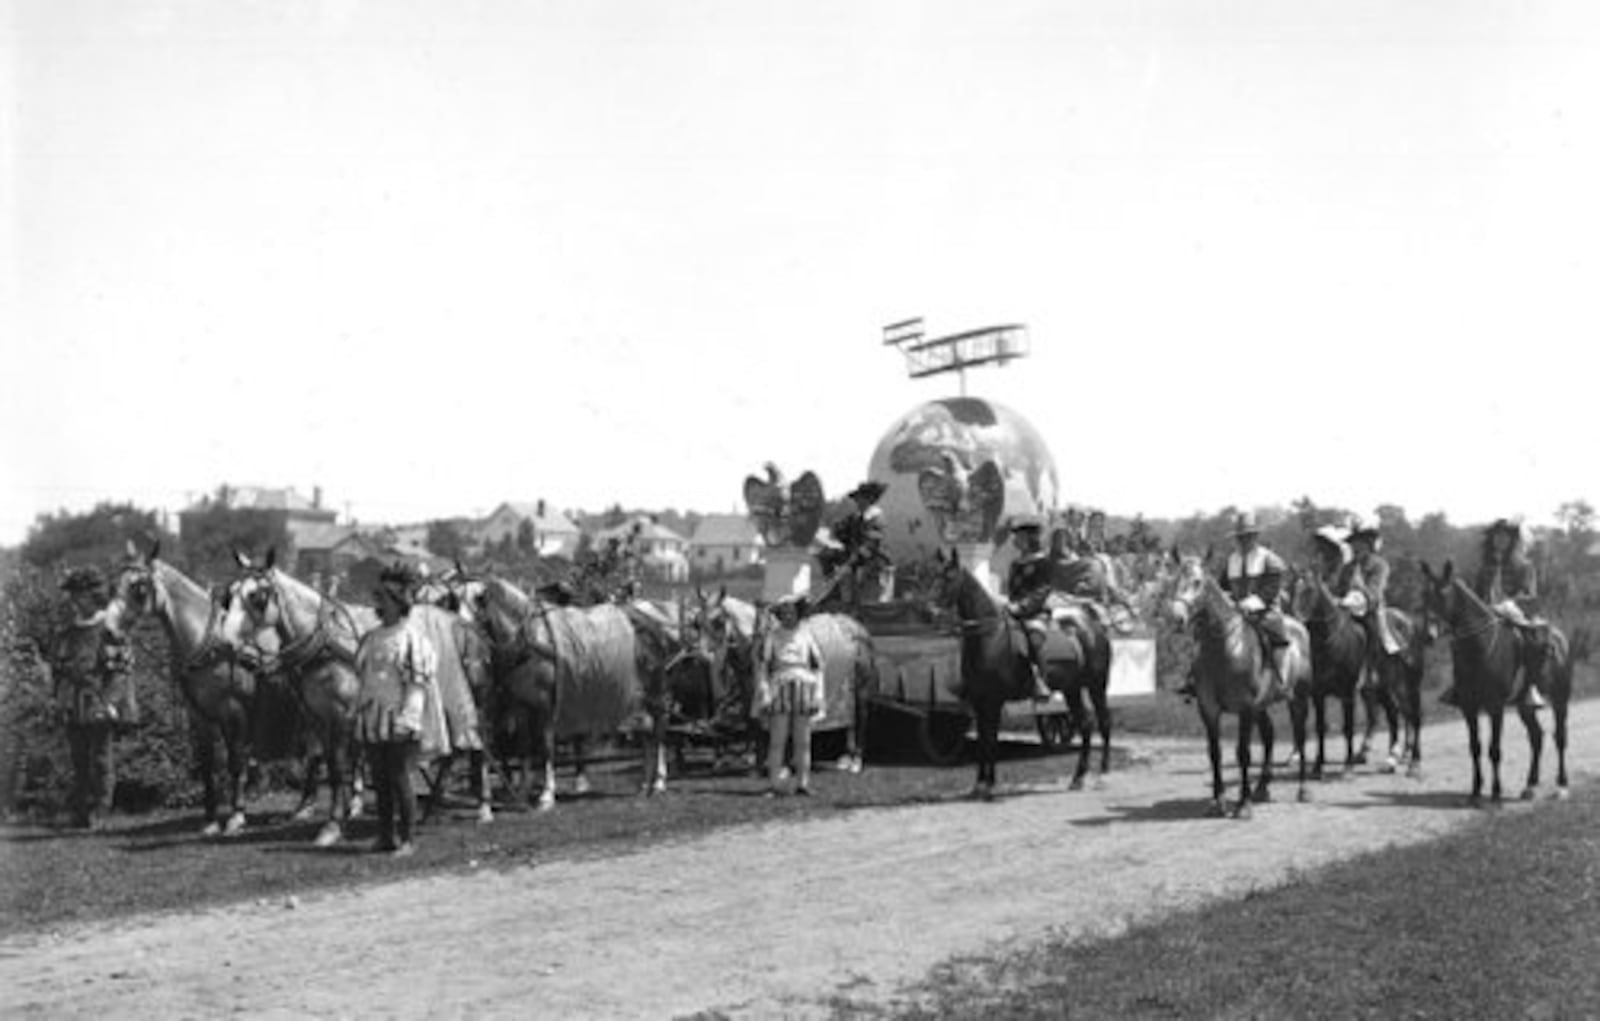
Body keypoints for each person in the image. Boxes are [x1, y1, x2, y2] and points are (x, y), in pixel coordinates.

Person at [352, 563, 440, 857]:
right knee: (380, 781)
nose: (381, 606)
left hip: (400, 720)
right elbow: (364, 679)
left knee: (400, 777)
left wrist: (408, 719)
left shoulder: (412, 639)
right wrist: (358, 711)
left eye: (387, 600)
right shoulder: (372, 637)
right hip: (374, 720)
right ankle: (385, 835)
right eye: (380, 600)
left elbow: (417, 685)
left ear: (399, 603)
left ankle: (408, 839)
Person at [47, 566, 136, 829]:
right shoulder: (66, 633)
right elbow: (58, 670)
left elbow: (120, 670)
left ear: (91, 595)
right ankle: (81, 811)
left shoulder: (109, 630)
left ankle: (101, 811)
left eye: (79, 595)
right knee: (78, 759)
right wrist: (58, 699)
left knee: (101, 758)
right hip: (73, 701)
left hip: (99, 699)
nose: (74, 601)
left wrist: (109, 702)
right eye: (73, 595)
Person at [1179, 512, 1291, 700]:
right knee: (1202, 630)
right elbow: (1224, 588)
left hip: (1265, 611)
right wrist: (1227, 603)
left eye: (1248, 536)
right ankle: (1194, 678)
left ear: (1255, 536)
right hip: (1236, 612)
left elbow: (1270, 592)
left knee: (1275, 634)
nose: (1244, 540)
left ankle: (1280, 680)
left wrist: (1248, 604)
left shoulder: (1270, 560)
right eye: (1241, 537)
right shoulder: (1232, 560)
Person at [1439, 518, 1548, 709]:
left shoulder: (1524, 566)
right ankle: (1459, 686)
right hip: (1487, 614)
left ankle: (1530, 687)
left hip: (1516, 613)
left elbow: (1528, 594)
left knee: (1533, 641)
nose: (1500, 541)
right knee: (1460, 641)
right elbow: (1475, 593)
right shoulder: (1484, 567)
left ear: (1512, 540)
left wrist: (1507, 604)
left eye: (1505, 537)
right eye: (1497, 537)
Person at [754, 594, 826, 796]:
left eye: (791, 612)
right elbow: (763, 667)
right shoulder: (772, 637)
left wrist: (818, 694)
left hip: (803, 686)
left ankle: (803, 782)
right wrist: (765, 691)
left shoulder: (806, 636)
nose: (788, 616)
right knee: (778, 739)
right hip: (780, 686)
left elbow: (818, 666)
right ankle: (775, 782)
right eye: (784, 613)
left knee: (803, 740)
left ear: (797, 614)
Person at [1335, 517, 1399, 694]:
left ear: (1369, 544)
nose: (1356, 547)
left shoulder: (1379, 565)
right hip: (1345, 608)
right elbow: (1338, 588)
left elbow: (1374, 592)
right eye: (1353, 543)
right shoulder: (1347, 567)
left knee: (1372, 630)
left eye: (1360, 543)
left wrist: (1358, 592)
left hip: (1369, 608)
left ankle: (1371, 670)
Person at [1004, 515, 1059, 701]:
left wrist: (1022, 607)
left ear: (1030, 538)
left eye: (1020, 536)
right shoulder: (1015, 564)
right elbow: (1012, 589)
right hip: (1013, 612)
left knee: (1033, 637)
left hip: (1036, 613)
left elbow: (1042, 590)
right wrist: (1009, 605)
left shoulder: (1043, 562)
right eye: (1016, 537)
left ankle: (1039, 679)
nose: (1016, 540)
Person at [821, 480, 892, 606]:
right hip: (854, 565)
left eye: (859, 499)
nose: (856, 503)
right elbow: (841, 537)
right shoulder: (853, 517)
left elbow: (871, 544)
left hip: (873, 567)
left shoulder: (875, 517)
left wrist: (851, 560)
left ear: (869, 499)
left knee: (871, 605)